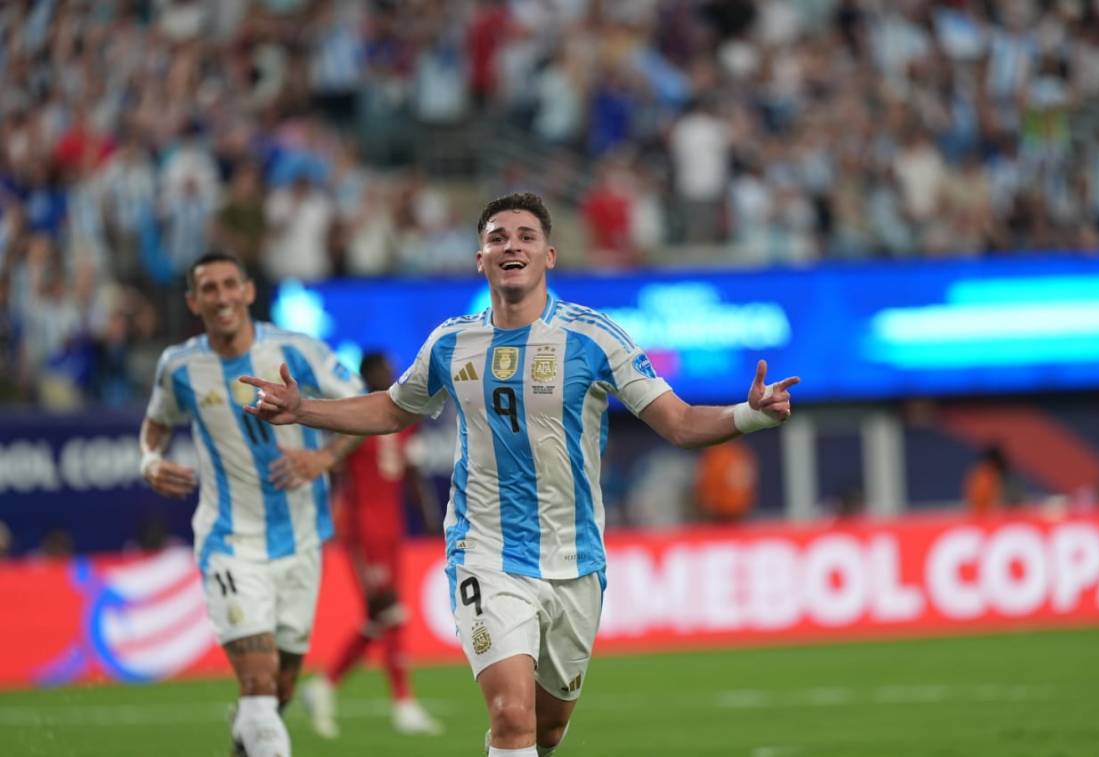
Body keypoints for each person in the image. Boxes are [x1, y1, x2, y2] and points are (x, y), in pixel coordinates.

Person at [241, 192, 799, 756]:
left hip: (576, 562)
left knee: (548, 729)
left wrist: (748, 414)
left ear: (549, 255)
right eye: (498, 238)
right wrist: (302, 408)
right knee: (512, 716)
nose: (512, 245)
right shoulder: (451, 341)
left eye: (526, 237)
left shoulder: (594, 337)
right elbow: (391, 408)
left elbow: (678, 422)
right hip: (486, 553)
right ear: (480, 259)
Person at [139, 251, 365, 757]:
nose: (220, 297)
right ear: (193, 302)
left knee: (278, 690)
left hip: (302, 540)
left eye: (228, 285)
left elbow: (362, 404)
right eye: (208, 289)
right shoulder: (179, 366)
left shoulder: (296, 350)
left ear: (246, 291)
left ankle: (248, 734)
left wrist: (323, 457)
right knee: (260, 685)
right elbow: (155, 425)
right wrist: (149, 461)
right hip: (230, 542)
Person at [301, 351, 444, 738]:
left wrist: (431, 519)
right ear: (367, 377)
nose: (390, 374)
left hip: (392, 530)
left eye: (390, 369)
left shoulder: (406, 421)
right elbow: (332, 470)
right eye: (382, 370)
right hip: (363, 530)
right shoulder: (355, 421)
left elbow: (412, 472)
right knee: (389, 612)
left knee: (386, 617)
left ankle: (330, 687)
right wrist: (328, 518)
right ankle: (396, 702)